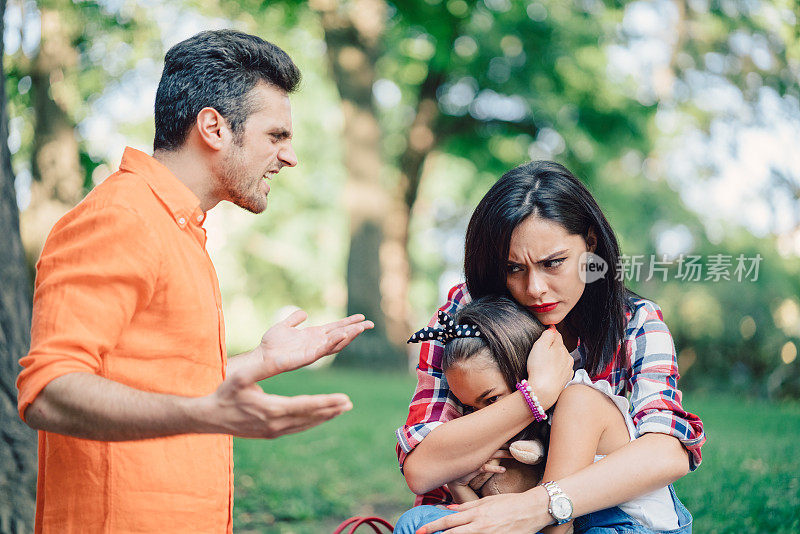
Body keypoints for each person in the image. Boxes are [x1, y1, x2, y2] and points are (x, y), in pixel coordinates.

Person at [16, 30, 373, 533]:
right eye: (276, 136)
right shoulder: (121, 219)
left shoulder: (179, 227)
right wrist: (207, 415)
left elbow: (160, 382)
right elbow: (48, 389)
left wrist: (263, 362)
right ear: (213, 128)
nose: (289, 157)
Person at [395, 160, 705, 533]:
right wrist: (535, 395)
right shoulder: (465, 318)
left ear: (590, 245)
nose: (535, 288)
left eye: (553, 263)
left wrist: (539, 506)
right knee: (418, 524)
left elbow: (668, 452)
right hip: (496, 505)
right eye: (514, 268)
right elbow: (421, 469)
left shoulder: (635, 323)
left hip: (608, 510)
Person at [395, 296, 692, 533]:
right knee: (417, 521)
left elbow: (554, 529)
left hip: (619, 526)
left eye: (492, 399)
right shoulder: (523, 433)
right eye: (471, 408)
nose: (484, 416)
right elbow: (497, 518)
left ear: (527, 371)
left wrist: (534, 396)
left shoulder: (579, 402)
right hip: (552, 519)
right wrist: (459, 486)